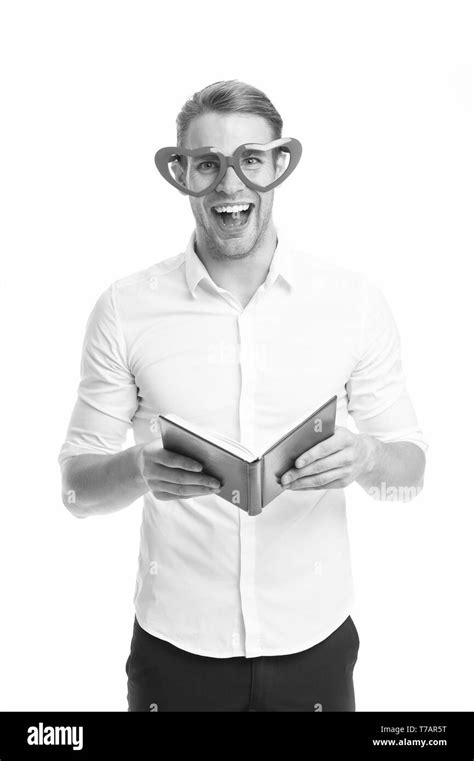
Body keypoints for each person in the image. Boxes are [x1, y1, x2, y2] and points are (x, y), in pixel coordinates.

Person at [58, 79, 427, 712]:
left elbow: (411, 471)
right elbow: (76, 491)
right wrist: (140, 469)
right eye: (208, 164)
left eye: (249, 160)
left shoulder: (353, 302)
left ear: (278, 165)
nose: (230, 186)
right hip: (175, 652)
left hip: (314, 645)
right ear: (182, 174)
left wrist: (367, 460)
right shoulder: (125, 310)